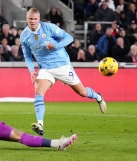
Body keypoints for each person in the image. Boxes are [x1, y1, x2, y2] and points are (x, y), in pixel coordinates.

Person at [20, 7, 107, 136]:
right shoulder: (24, 35)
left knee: (82, 92)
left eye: (35, 19)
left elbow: (69, 38)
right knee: (39, 91)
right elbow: (27, 55)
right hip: (45, 68)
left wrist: (55, 45)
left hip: (62, 65)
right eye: (30, 19)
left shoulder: (49, 27)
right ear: (26, 19)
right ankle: (40, 124)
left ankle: (98, 97)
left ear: (39, 19)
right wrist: (31, 70)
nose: (33, 21)